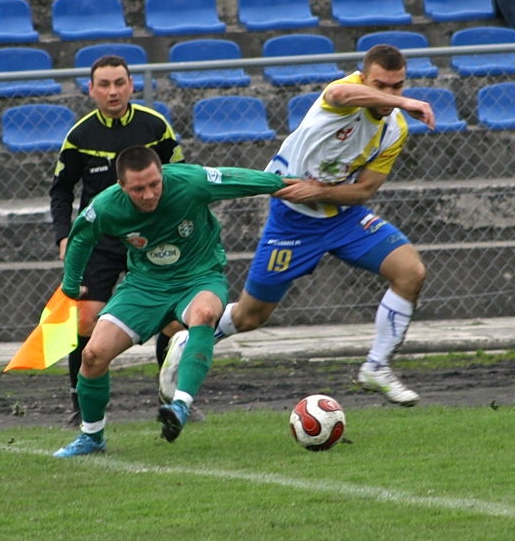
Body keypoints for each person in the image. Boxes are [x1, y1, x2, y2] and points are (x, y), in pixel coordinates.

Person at [160, 44, 436, 407]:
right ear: (364, 78)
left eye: (398, 87)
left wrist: (320, 190)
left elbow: (365, 190)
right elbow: (341, 92)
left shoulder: (394, 129)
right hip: (292, 220)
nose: (389, 95)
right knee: (250, 315)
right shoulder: (341, 95)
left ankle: (377, 366)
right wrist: (406, 102)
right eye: (381, 86)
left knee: (411, 272)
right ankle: (189, 338)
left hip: (342, 217)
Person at [52, 146, 297, 457]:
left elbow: (237, 178)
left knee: (205, 313)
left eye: (155, 184)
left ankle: (181, 404)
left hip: (199, 277)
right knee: (93, 355)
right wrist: (71, 284)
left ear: (162, 173)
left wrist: (284, 184)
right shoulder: (106, 206)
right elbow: (81, 238)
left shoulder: (189, 181)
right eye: (138, 189)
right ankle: (91, 437)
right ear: (121, 186)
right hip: (144, 286)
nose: (149, 193)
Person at [49, 55, 183, 428]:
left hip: (153, 237)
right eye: (104, 84)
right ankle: (82, 405)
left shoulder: (155, 126)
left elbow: (180, 179)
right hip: (101, 241)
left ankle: (169, 397)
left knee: (172, 320)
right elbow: (60, 191)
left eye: (119, 83)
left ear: (131, 85)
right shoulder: (79, 136)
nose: (112, 91)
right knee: (86, 319)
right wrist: (64, 236)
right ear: (90, 90)